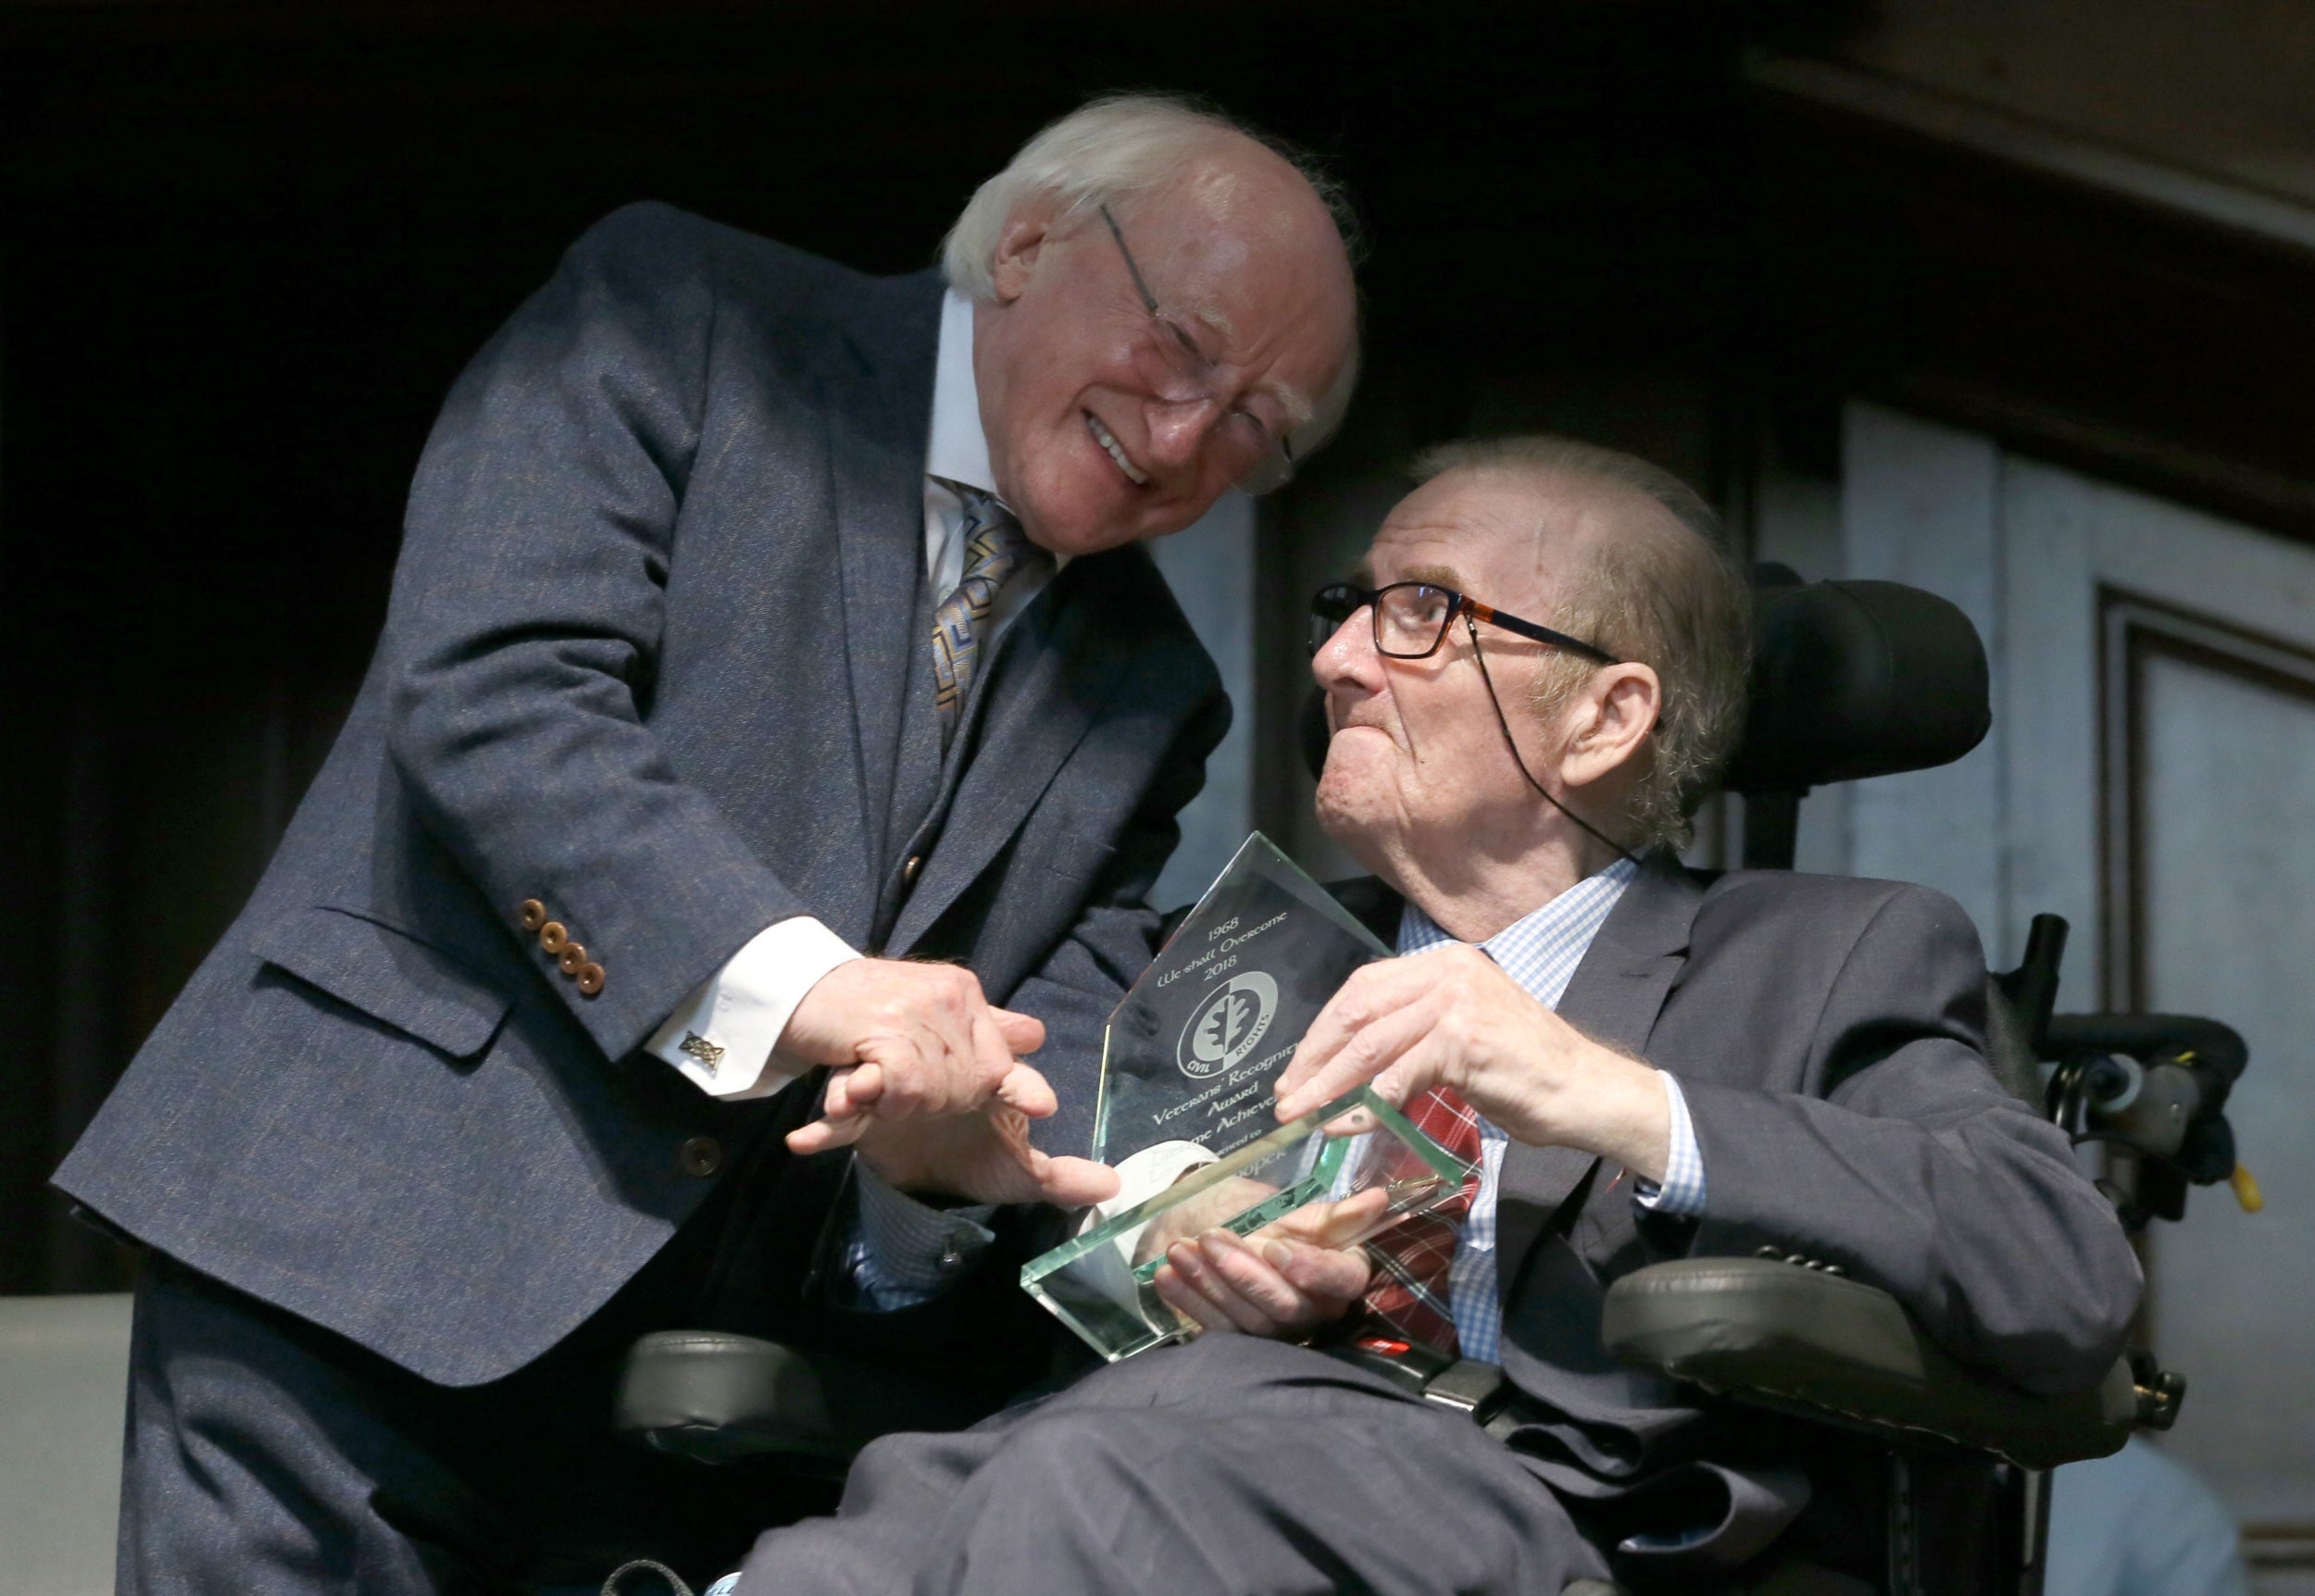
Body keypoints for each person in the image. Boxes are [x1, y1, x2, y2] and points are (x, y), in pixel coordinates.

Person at [52, 94, 1361, 1592]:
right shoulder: (682, 307)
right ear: (1028, 241)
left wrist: (1112, 1193)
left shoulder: (1156, 690)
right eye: (1185, 346)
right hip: (359, 1254)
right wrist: (818, 990)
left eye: (1261, 426)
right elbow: (497, 690)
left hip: (699, 1408)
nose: (1191, 434)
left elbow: (1043, 1040)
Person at [723, 436, 2146, 1595]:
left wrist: (1601, 1093)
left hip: (1566, 1510)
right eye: (1349, 608)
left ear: (1607, 714)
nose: (1337, 659)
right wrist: (940, 1183)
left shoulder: (1828, 952)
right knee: (825, 1567)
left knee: (1090, 1491)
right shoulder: (1216, 961)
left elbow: (2068, 1281)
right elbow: (989, 1268)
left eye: (1423, 613)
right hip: (1124, 1461)